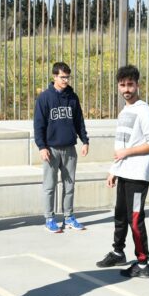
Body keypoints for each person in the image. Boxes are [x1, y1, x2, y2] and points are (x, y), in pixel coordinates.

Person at [95, 65, 149, 278]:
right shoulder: (124, 111)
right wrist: (114, 170)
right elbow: (120, 145)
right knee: (120, 215)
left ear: (137, 86)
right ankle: (118, 252)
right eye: (122, 85)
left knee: (135, 219)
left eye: (130, 85)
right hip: (124, 172)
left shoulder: (144, 111)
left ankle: (143, 264)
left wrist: (128, 153)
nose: (126, 89)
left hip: (138, 175)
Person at [33, 61, 90, 233]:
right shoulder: (44, 98)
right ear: (54, 76)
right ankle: (49, 218)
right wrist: (42, 147)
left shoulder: (72, 97)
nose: (65, 80)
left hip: (69, 149)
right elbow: (38, 125)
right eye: (62, 77)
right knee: (50, 186)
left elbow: (79, 120)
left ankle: (69, 217)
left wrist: (85, 140)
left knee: (69, 185)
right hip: (51, 149)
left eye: (67, 77)